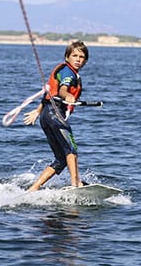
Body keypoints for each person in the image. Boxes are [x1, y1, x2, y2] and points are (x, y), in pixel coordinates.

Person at [23, 41, 89, 191]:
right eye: (75, 56)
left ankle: (34, 188)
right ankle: (76, 184)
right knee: (71, 150)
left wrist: (38, 111)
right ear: (67, 57)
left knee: (61, 159)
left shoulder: (66, 71)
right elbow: (62, 90)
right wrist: (68, 96)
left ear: (85, 61)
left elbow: (50, 94)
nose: (78, 59)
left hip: (47, 115)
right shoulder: (68, 73)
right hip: (55, 115)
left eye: (82, 57)